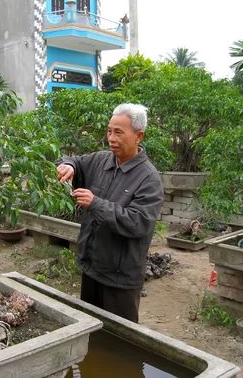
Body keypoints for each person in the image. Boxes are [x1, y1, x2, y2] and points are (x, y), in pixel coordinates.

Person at [56, 103, 163, 323]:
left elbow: (138, 222)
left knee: (120, 340)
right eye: (109, 131)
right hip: (92, 267)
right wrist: (69, 166)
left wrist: (95, 203)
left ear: (138, 136)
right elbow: (73, 160)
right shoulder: (101, 160)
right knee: (89, 329)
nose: (111, 138)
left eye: (119, 133)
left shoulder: (148, 179)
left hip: (120, 277)